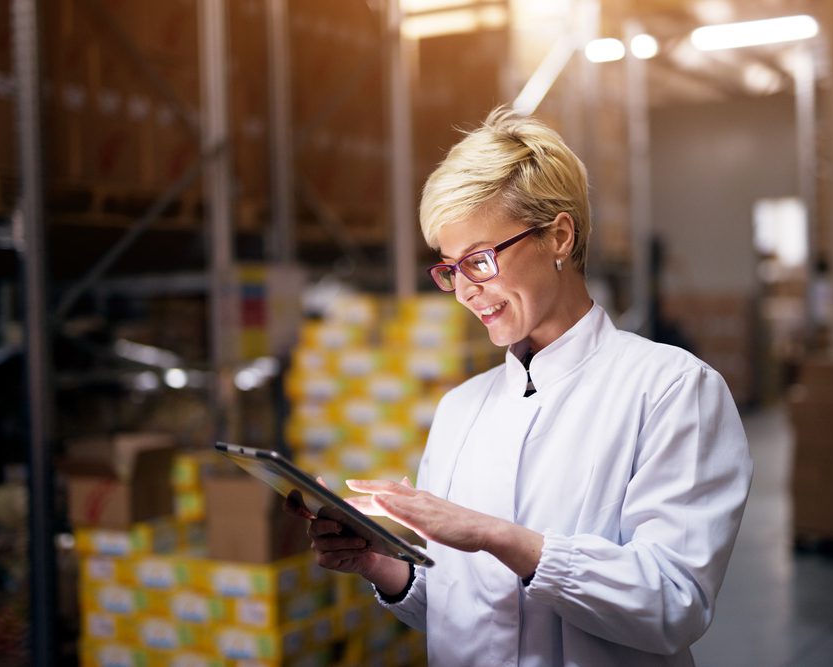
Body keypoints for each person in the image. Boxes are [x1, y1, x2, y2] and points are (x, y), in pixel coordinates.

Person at [294, 107, 753, 666]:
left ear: (559, 236)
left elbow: (673, 603)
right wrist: (380, 564)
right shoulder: (461, 409)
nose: (464, 290)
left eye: (480, 261)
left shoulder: (672, 390)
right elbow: (459, 609)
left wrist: (499, 537)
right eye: (449, 269)